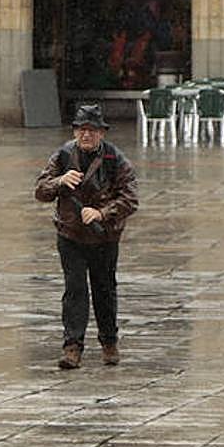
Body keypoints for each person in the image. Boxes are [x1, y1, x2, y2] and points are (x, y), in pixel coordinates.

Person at [34, 103, 139, 369]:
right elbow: (40, 190)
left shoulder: (116, 159)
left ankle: (109, 341)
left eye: (92, 130)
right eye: (82, 129)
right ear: (74, 131)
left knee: (104, 290)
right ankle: (72, 347)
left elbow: (130, 198)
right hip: (70, 233)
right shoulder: (62, 156)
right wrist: (59, 182)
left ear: (102, 133)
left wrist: (102, 213)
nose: (86, 135)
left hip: (104, 236)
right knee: (75, 290)